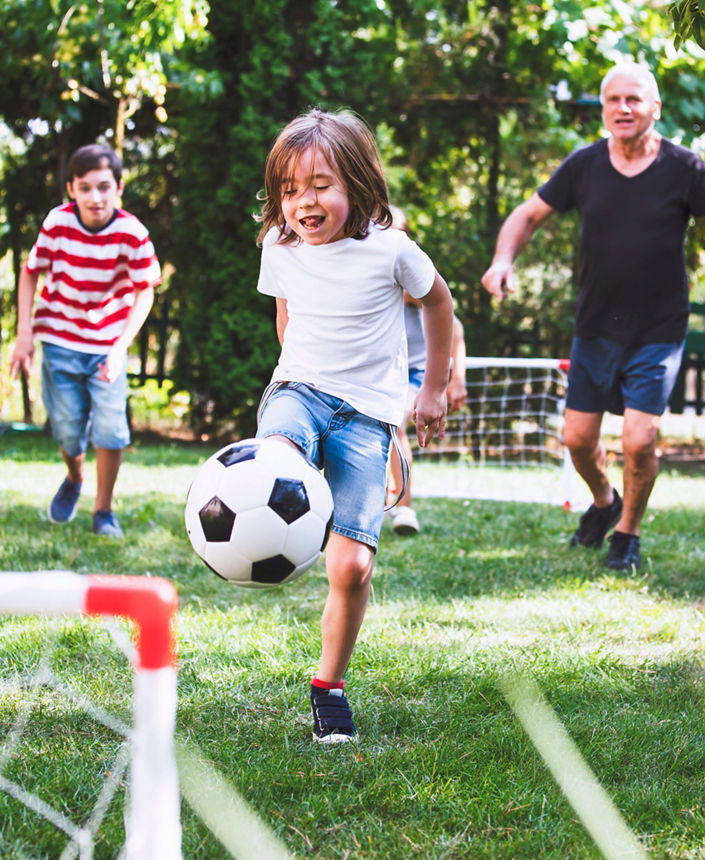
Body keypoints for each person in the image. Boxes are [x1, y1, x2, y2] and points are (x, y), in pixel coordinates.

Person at [481, 62, 705, 571]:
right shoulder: (584, 166)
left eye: (634, 99)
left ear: (655, 108)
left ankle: (627, 532)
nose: (623, 109)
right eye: (613, 101)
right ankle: (604, 502)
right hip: (596, 329)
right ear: (603, 109)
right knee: (577, 440)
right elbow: (527, 215)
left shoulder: (683, 168)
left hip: (657, 331)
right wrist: (503, 260)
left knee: (639, 437)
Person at [254, 109, 455, 743]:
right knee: (279, 452)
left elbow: (440, 304)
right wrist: (294, 372)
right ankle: (285, 509)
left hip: (369, 416)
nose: (303, 203)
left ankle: (329, 686)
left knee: (351, 568)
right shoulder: (278, 247)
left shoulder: (392, 249)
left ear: (358, 185)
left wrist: (432, 391)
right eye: (289, 190)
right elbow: (286, 319)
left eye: (319, 186)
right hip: (299, 390)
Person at [8, 143, 160, 538]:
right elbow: (30, 272)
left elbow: (146, 291)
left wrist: (120, 344)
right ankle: (74, 478)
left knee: (110, 430)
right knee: (67, 430)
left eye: (105, 187)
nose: (96, 197)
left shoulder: (132, 232)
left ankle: (103, 510)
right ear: (71, 189)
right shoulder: (57, 223)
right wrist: (24, 334)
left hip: (107, 344)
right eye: (86, 187)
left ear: (119, 188)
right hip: (59, 339)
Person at [385, 205, 468, 536]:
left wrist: (456, 379)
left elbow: (454, 327)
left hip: (415, 371)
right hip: (381, 371)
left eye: (396, 229)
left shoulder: (405, 277)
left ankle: (405, 509)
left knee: (395, 422)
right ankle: (389, 495)